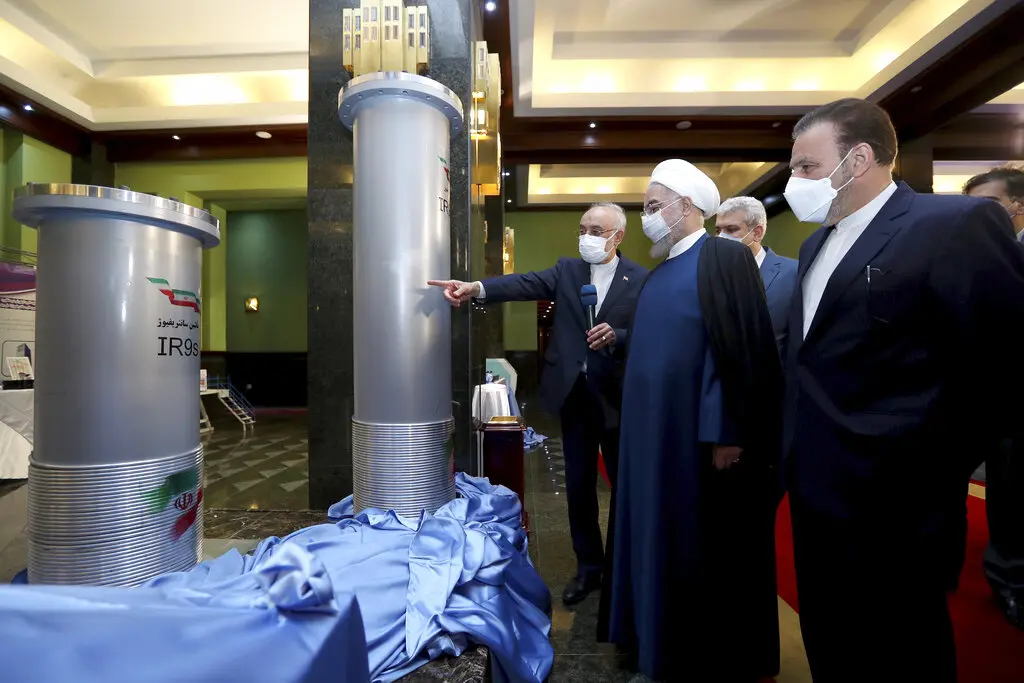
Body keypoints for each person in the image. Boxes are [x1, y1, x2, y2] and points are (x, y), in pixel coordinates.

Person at [782, 99, 1024, 682]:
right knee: (832, 643)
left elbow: (1003, 366)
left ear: (858, 158)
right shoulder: (817, 245)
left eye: (807, 168)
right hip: (816, 493)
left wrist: (927, 467)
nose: (794, 183)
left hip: (898, 507)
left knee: (903, 652)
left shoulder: (954, 224)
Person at [601, 160, 783, 681]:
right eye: (645, 207)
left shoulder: (722, 256)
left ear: (689, 208)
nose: (648, 217)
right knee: (650, 535)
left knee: (686, 545)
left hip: (690, 439)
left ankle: (678, 654)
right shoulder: (662, 271)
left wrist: (726, 432)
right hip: (649, 435)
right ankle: (648, 640)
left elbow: (737, 349)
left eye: (655, 206)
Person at [428, 203, 647, 606]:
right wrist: (476, 288)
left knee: (624, 486)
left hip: (619, 397)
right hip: (574, 397)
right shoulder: (567, 270)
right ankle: (589, 568)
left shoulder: (642, 280)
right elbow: (523, 283)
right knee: (578, 486)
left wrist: (618, 334)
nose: (586, 236)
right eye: (582, 228)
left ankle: (623, 566)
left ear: (617, 236)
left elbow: (650, 330)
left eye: (596, 229)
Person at [965, 166, 1024, 628]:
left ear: (1015, 207)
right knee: (1008, 493)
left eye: (988, 205)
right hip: (991, 401)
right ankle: (1010, 582)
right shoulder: (984, 253)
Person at [716, 196, 798, 354]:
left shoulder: (794, 273)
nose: (720, 238)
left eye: (731, 229)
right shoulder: (711, 277)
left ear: (757, 233)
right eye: (718, 231)